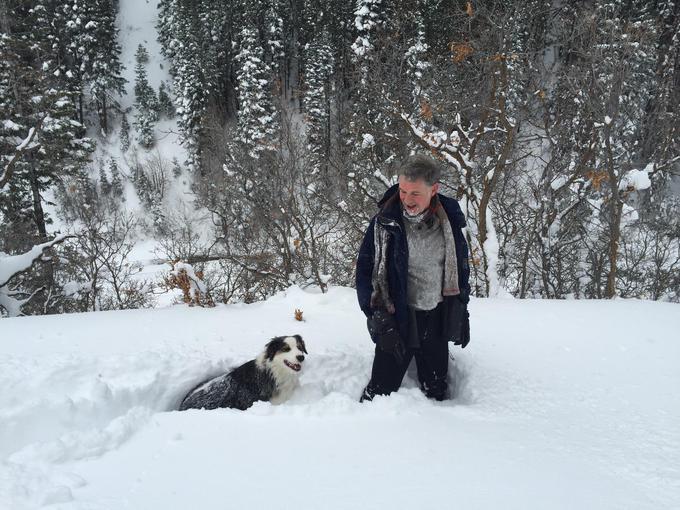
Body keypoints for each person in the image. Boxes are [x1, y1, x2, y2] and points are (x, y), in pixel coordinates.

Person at [356, 154, 470, 402]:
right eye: (403, 191)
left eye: (415, 193)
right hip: (397, 319)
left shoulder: (449, 220)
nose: (406, 199)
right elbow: (364, 271)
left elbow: (460, 269)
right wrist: (377, 317)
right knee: (379, 395)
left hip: (436, 318)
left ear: (434, 189)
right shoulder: (384, 222)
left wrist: (462, 311)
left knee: (437, 392)